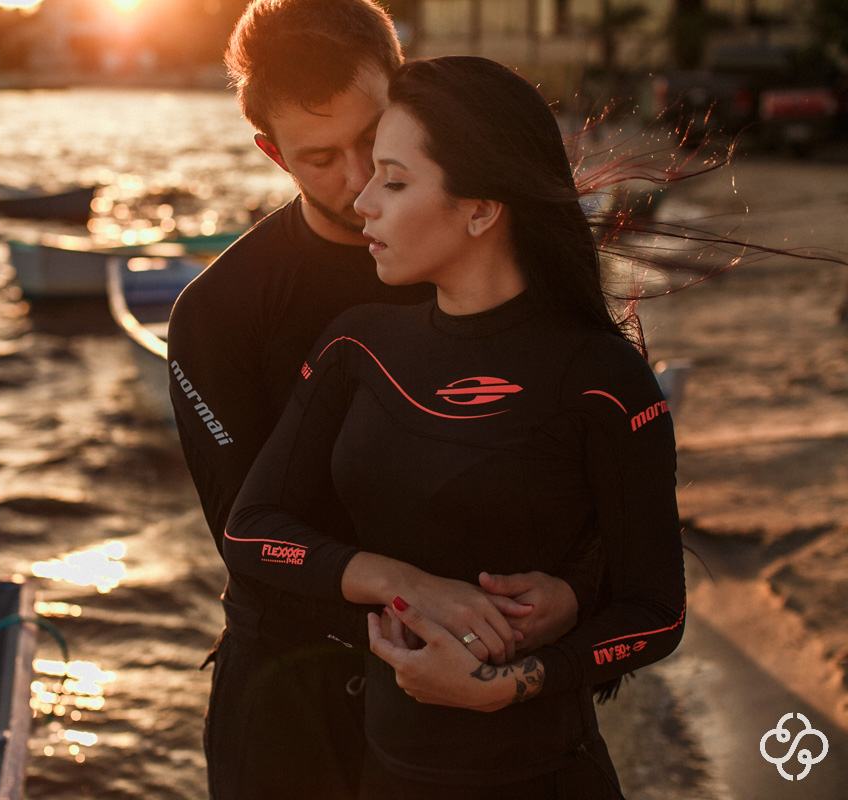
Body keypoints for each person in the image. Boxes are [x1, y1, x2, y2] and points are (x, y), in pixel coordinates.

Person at [224, 55, 688, 799]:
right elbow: (250, 532)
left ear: (479, 209)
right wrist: (404, 586)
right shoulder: (358, 345)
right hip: (384, 777)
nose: (363, 201)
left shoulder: (602, 378)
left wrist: (514, 684)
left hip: (546, 779)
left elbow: (657, 614)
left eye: (394, 181)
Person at [167, 2, 597, 798]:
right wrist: (409, 588)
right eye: (319, 157)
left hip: (485, 681)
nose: (359, 177)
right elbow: (247, 539)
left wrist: (569, 594)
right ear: (272, 153)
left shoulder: (498, 250)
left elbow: (597, 480)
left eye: (373, 138)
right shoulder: (218, 311)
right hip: (292, 704)